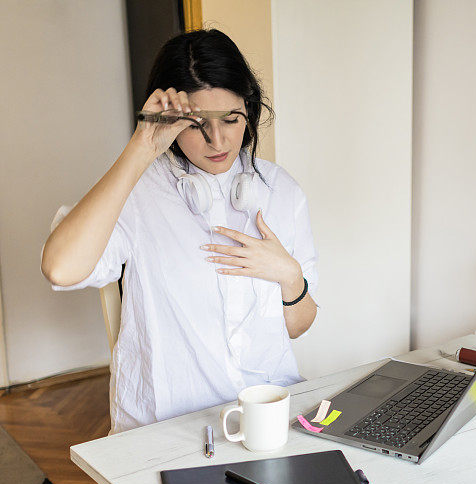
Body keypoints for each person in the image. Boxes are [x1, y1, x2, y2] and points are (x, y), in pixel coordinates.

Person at [40, 29, 319, 434]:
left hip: (269, 418)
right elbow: (60, 268)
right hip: (169, 429)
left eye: (232, 119)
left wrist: (289, 275)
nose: (218, 140)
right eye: (196, 124)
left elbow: (298, 325)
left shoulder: (281, 192)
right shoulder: (138, 192)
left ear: (250, 111)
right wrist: (142, 147)